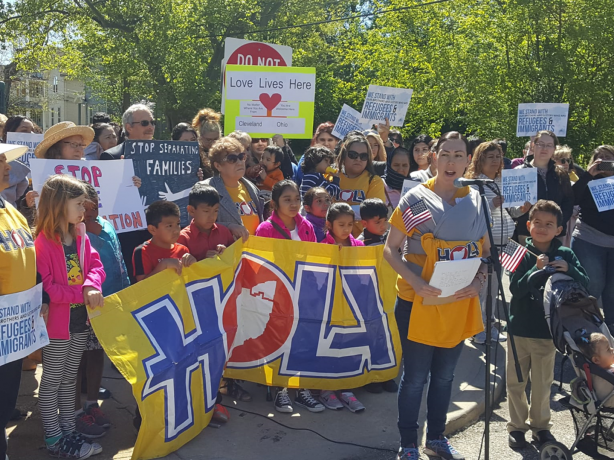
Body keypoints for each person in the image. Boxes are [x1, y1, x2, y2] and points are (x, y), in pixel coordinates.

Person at [383, 131, 490, 460]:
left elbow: (485, 253)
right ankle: (409, 443)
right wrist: (415, 282)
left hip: (457, 300)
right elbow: (390, 250)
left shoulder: (475, 200)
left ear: (467, 160)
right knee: (415, 376)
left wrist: (479, 282)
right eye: (446, 154)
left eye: (459, 155)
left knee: (445, 375)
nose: (452, 161)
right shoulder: (415, 199)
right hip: (417, 300)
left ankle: (438, 438)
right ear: (433, 157)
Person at [507, 200, 589, 450]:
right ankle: (517, 427)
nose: (542, 228)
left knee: (543, 383)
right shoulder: (519, 251)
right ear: (529, 225)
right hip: (519, 328)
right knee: (515, 382)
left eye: (549, 224)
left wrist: (570, 269)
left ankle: (541, 427)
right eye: (538, 223)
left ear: (559, 229)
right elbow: (515, 289)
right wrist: (535, 269)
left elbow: (585, 284)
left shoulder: (565, 253)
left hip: (547, 332)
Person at [35, 175, 106, 458]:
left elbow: (96, 266)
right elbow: (48, 288)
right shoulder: (43, 242)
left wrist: (91, 285)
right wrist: (83, 294)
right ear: (58, 204)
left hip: (79, 324)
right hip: (56, 328)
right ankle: (54, 438)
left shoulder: (80, 234)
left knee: (68, 380)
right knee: (52, 381)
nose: (83, 211)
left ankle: (68, 431)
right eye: (78, 204)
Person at [254, 181, 323, 413]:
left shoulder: (306, 227)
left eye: (296, 199)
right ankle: (280, 389)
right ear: (275, 203)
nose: (294, 204)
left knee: (302, 339)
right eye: (287, 199)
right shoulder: (265, 229)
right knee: (279, 340)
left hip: (304, 291)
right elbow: (262, 265)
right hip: (278, 294)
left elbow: (314, 256)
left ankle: (301, 389)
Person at [75, 182, 130, 438]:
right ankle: (74, 411)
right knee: (77, 360)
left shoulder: (107, 225)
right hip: (84, 306)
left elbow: (118, 260)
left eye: (94, 205)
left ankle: (91, 403)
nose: (91, 211)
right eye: (84, 207)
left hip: (109, 302)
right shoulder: (75, 233)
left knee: (97, 354)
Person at [0, 144, 40, 460]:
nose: (6, 165)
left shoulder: (11, 209)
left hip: (13, 333)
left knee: (4, 402)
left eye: (4, 159)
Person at [465, 141, 516, 344]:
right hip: (484, 242)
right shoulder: (474, 182)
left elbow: (514, 211)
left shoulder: (504, 180)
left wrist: (524, 205)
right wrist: (491, 202)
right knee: (483, 286)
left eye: (498, 156)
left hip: (504, 240)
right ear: (480, 159)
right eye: (491, 157)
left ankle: (490, 325)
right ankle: (478, 330)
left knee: (494, 287)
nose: (496, 161)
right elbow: (469, 210)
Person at [318, 203, 366, 412]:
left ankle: (346, 388)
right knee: (327, 345)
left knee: (348, 345)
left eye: (350, 224)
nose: (347, 229)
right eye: (341, 224)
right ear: (329, 225)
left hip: (352, 304)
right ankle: (325, 389)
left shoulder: (360, 246)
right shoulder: (320, 245)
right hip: (327, 304)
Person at [571, 145, 614, 329]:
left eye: (608, 158)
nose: (603, 161)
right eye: (599, 157)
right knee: (593, 286)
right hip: (589, 240)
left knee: (612, 291)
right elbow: (572, 198)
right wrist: (588, 175)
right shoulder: (587, 181)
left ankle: (611, 327)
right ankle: (586, 325)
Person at [514, 130, 574, 246]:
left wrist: (557, 224)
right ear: (532, 146)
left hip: (556, 233)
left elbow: (568, 201)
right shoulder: (519, 172)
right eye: (540, 144)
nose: (544, 148)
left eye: (549, 145)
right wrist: (521, 210)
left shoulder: (561, 173)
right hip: (527, 233)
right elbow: (511, 207)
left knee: (556, 263)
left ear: (554, 149)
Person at [202, 137, 264, 241]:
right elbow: (198, 226)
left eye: (241, 157)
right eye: (232, 159)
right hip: (224, 254)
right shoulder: (206, 190)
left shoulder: (252, 188)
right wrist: (229, 226)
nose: (239, 162)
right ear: (218, 166)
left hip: (252, 255)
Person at [132, 201, 196, 282]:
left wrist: (194, 265)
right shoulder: (142, 251)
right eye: (169, 226)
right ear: (153, 229)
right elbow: (141, 288)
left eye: (178, 223)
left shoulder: (183, 250)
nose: (176, 230)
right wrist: (163, 265)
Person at [336, 133, 386, 237]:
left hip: (362, 243)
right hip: (332, 241)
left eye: (363, 156)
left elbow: (374, 212)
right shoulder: (331, 177)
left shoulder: (374, 181)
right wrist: (359, 210)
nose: (358, 159)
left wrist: (337, 212)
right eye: (353, 155)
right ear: (344, 154)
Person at [177, 183, 235, 261]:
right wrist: (202, 261)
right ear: (191, 210)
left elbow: (235, 260)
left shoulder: (224, 232)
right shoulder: (182, 238)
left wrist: (226, 252)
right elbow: (178, 269)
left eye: (216, 211)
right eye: (206, 211)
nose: (212, 217)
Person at [577, 333, 614, 407]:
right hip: (610, 400)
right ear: (596, 360)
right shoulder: (604, 376)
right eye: (608, 349)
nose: (612, 349)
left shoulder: (604, 368)